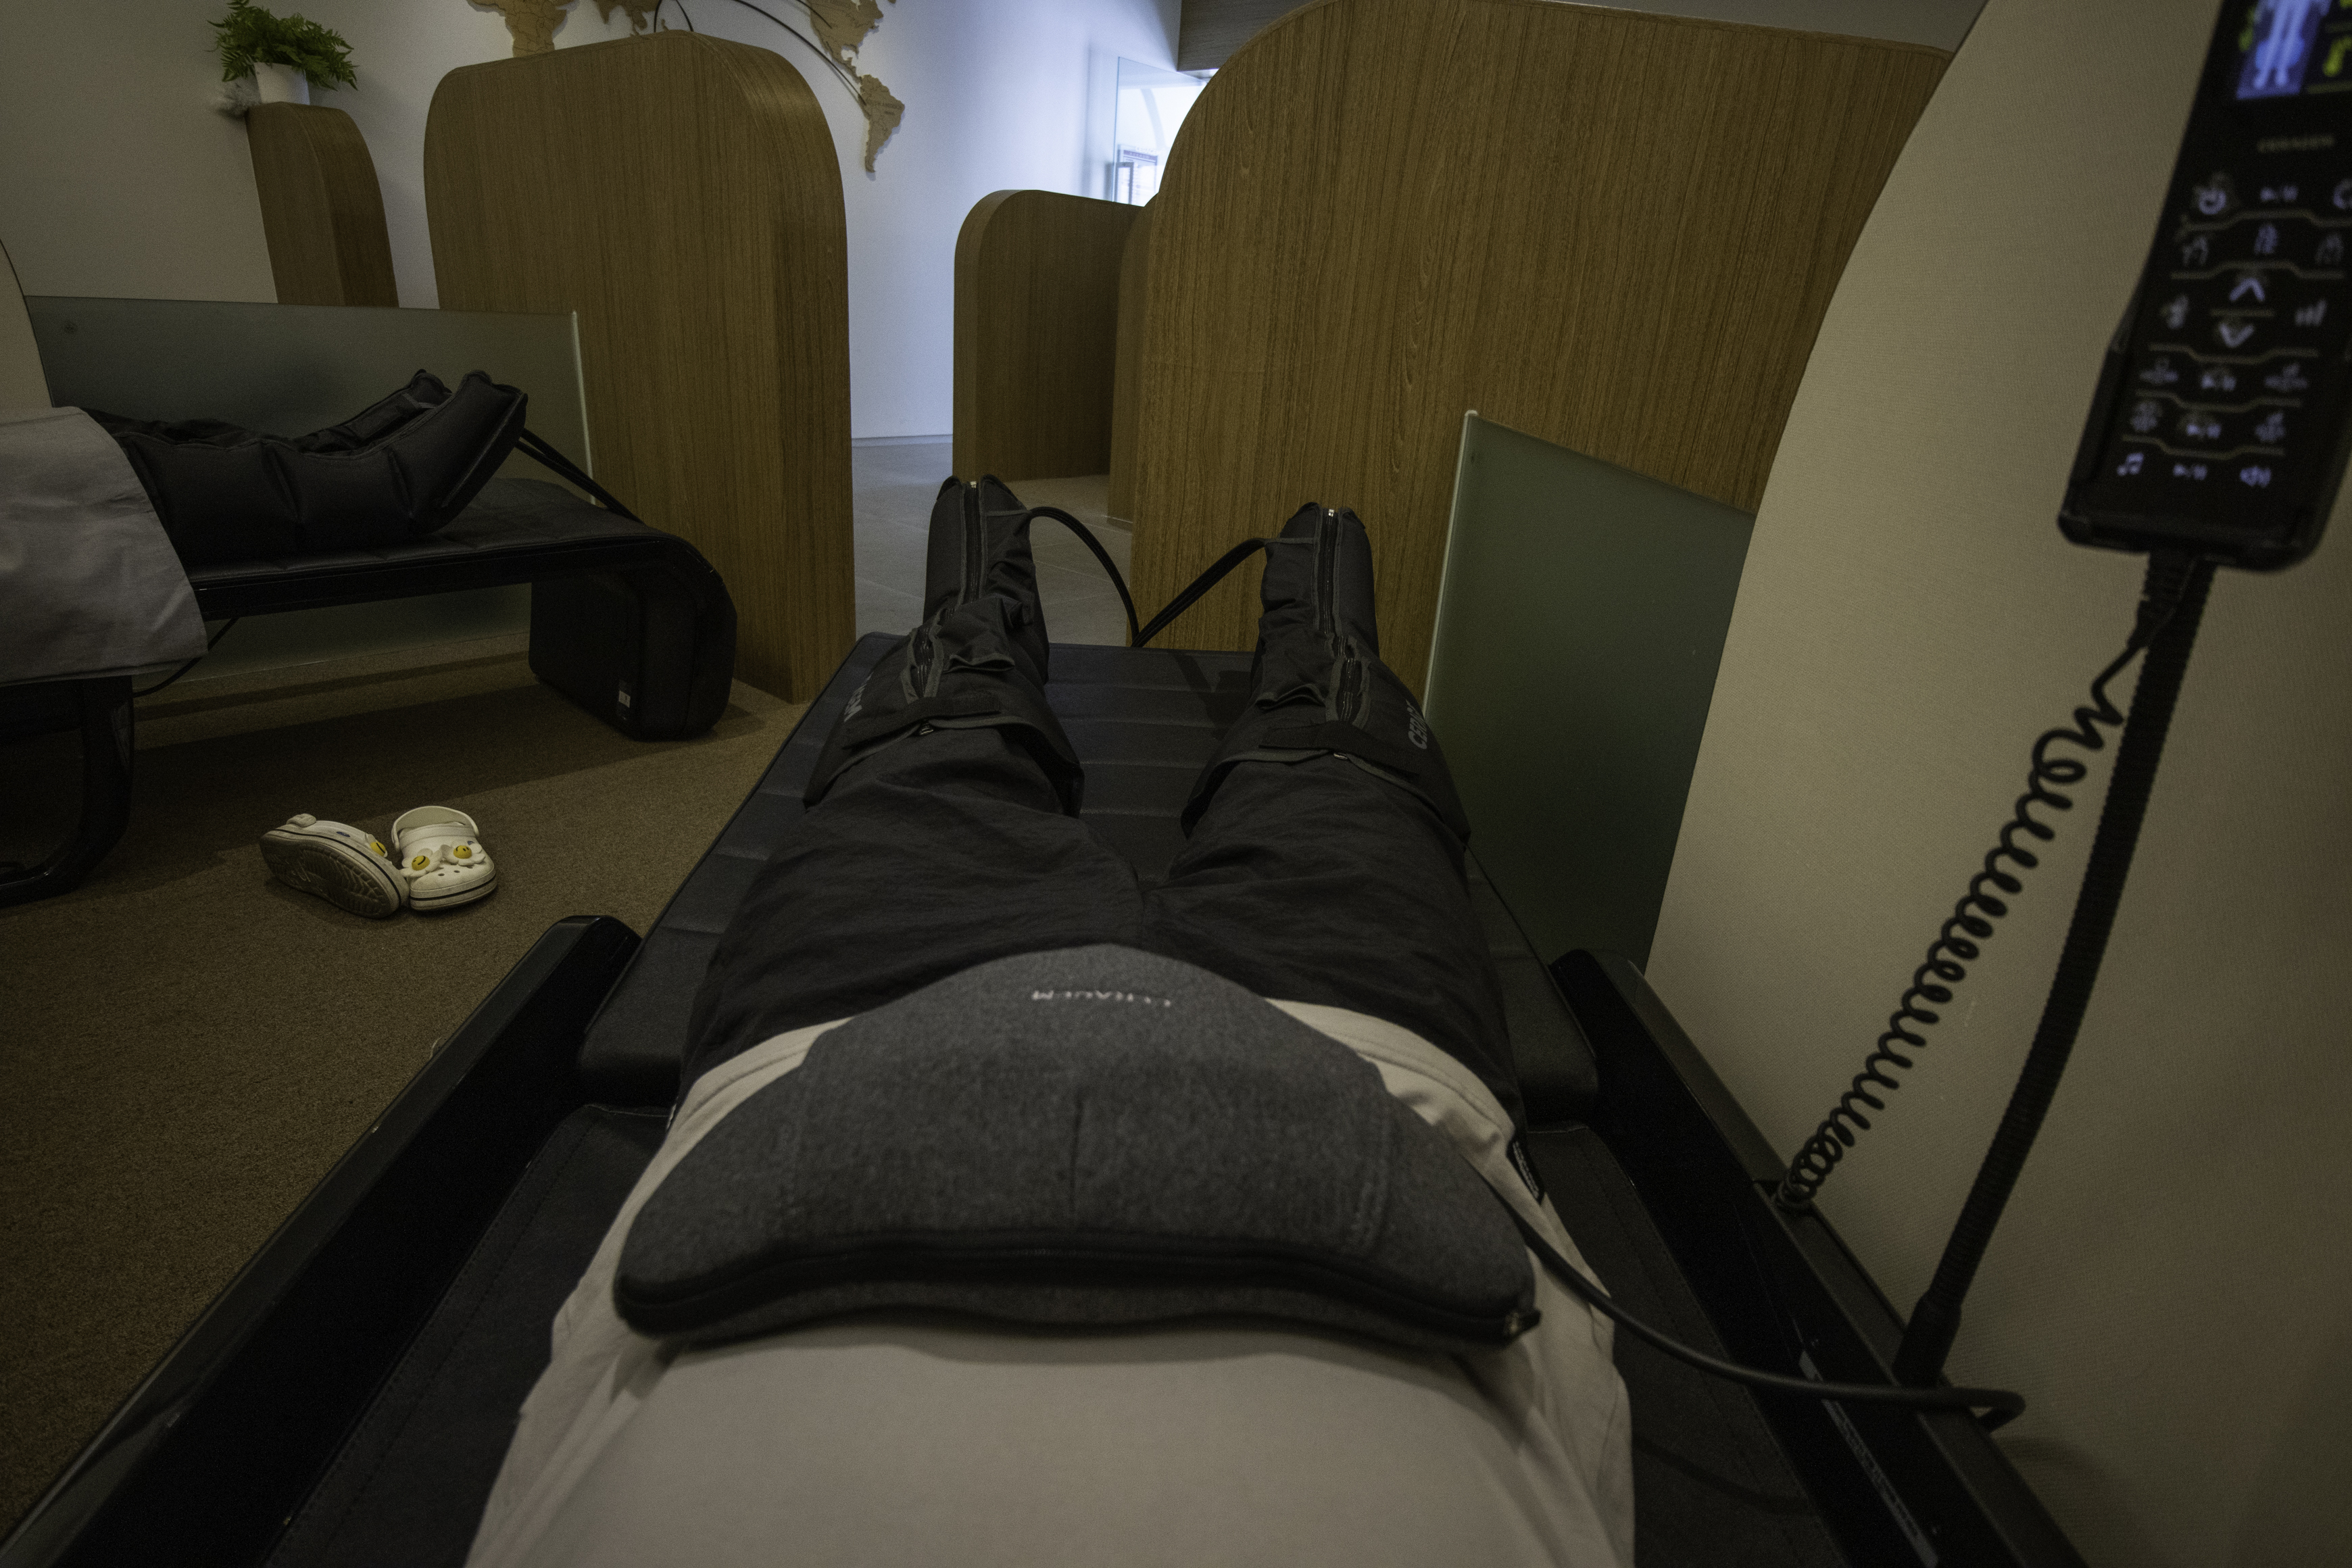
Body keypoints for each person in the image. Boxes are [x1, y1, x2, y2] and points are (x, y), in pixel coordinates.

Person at [462, 480, 1636, 1567]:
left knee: (925, 754)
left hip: (847, 1029)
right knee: (1340, 772)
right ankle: (1321, 649)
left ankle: (976, 624)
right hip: (1365, 1054)